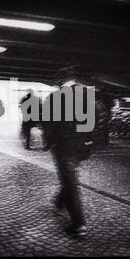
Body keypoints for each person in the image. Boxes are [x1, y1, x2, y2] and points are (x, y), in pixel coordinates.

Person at [43, 65, 96, 236]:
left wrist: (49, 143)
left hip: (63, 147)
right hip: (80, 146)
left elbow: (48, 124)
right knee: (69, 178)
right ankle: (59, 201)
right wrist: (89, 143)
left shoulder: (54, 98)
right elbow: (91, 122)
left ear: (59, 81)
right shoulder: (86, 95)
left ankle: (79, 224)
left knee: (70, 183)